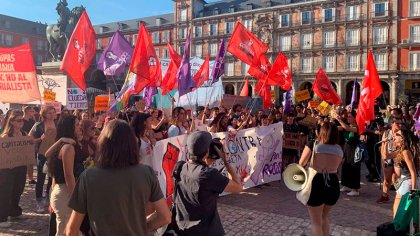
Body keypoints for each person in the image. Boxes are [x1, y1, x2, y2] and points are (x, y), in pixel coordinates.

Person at [65, 120, 171, 236]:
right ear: (132, 144)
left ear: (103, 144)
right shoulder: (146, 173)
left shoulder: (88, 176)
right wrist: (143, 226)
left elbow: (72, 229)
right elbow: (165, 217)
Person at [174, 131, 243, 235]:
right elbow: (238, 187)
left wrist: (206, 163)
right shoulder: (209, 175)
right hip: (206, 231)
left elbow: (197, 179)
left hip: (183, 230)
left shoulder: (179, 167)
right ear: (207, 151)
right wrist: (226, 161)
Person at [298, 122, 343, 236]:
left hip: (317, 182)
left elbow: (301, 163)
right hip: (333, 184)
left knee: (316, 223)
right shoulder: (339, 149)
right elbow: (337, 167)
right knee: (324, 217)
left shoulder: (314, 144)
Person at [46, 115, 84, 236]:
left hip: (62, 191)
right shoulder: (68, 147)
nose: (80, 127)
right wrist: (76, 199)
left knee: (65, 229)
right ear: (70, 128)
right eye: (77, 125)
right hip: (66, 192)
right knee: (66, 231)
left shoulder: (67, 145)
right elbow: (69, 176)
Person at [0, 110, 28, 228]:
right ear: (11, 122)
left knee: (18, 189)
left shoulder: (24, 134)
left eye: (22, 120)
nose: (21, 122)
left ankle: (14, 212)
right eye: (18, 120)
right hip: (7, 168)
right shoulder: (6, 136)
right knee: (6, 192)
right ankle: (2, 218)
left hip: (21, 166)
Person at [381, 130, 418, 217]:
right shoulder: (400, 151)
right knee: (399, 210)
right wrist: (385, 143)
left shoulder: (405, 152)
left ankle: (398, 228)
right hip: (405, 181)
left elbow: (413, 172)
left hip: (408, 182)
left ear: (402, 139)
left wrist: (413, 192)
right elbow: (386, 156)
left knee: (397, 210)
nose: (394, 137)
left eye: (397, 135)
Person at [29, 106, 57, 213]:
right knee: (41, 178)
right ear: (44, 114)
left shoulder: (58, 124)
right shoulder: (38, 125)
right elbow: (30, 139)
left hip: (54, 154)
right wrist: (40, 139)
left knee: (52, 178)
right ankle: (39, 201)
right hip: (42, 154)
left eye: (53, 112)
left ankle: (48, 198)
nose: (52, 114)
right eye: (49, 113)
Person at [377, 116, 404, 203]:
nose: (400, 125)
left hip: (397, 157)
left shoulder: (402, 133)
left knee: (397, 179)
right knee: (387, 179)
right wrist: (383, 159)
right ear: (392, 124)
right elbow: (382, 147)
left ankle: (399, 197)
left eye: (401, 123)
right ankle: (385, 196)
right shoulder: (387, 132)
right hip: (387, 158)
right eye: (397, 123)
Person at [337, 110, 361, 196]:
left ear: (355, 118)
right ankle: (346, 185)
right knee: (346, 166)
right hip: (347, 147)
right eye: (347, 116)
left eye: (350, 116)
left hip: (354, 149)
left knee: (354, 167)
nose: (348, 118)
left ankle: (355, 189)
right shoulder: (347, 125)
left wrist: (340, 120)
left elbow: (347, 128)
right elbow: (338, 128)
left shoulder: (356, 127)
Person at [22, 106, 36, 184]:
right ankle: (23, 177)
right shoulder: (21, 120)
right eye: (31, 111)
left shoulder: (32, 121)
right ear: (27, 111)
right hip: (23, 144)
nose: (33, 113)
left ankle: (30, 178)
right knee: (23, 162)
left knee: (31, 162)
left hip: (31, 143)